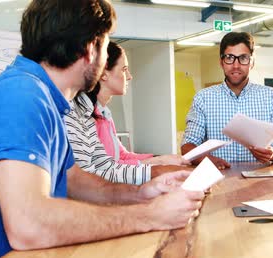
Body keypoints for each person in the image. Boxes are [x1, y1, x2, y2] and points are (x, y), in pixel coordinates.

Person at [0, 0, 204, 258]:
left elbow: (71, 178)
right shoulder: (22, 96)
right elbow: (29, 225)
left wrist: (142, 193)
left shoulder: (43, 95)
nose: (105, 56)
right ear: (89, 48)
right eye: (106, 47)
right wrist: (150, 216)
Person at [65, 42, 189, 185]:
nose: (129, 76)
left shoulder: (97, 112)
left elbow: (110, 163)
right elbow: (87, 178)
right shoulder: (76, 112)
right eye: (124, 69)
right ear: (103, 73)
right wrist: (157, 168)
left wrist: (160, 162)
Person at [181, 32, 273, 169]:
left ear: (252, 62)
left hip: (260, 181)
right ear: (221, 62)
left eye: (243, 58)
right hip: (217, 179)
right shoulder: (203, 98)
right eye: (230, 58)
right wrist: (206, 159)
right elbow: (187, 146)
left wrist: (272, 154)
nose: (236, 65)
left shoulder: (271, 96)